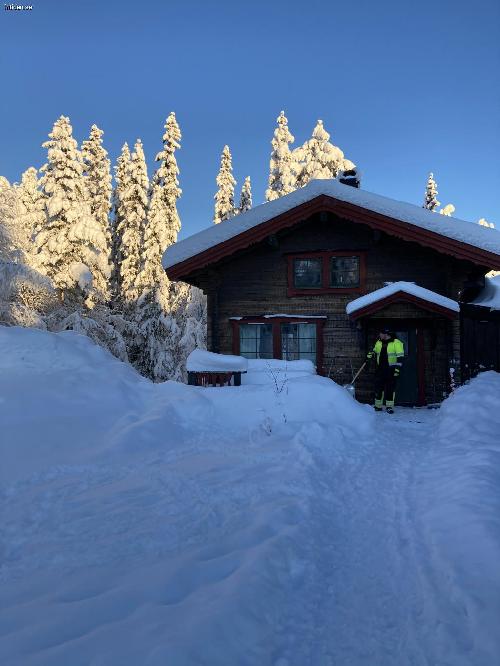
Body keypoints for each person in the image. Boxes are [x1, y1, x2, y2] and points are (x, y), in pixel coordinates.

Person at [366, 327, 404, 413]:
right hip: (380, 369)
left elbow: (400, 357)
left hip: (391, 370)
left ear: (386, 334)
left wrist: (397, 370)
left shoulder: (396, 343)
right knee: (379, 388)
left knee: (390, 389)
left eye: (381, 333)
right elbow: (375, 351)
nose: (379, 335)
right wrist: (370, 354)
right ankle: (378, 406)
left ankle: (389, 407)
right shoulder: (379, 342)